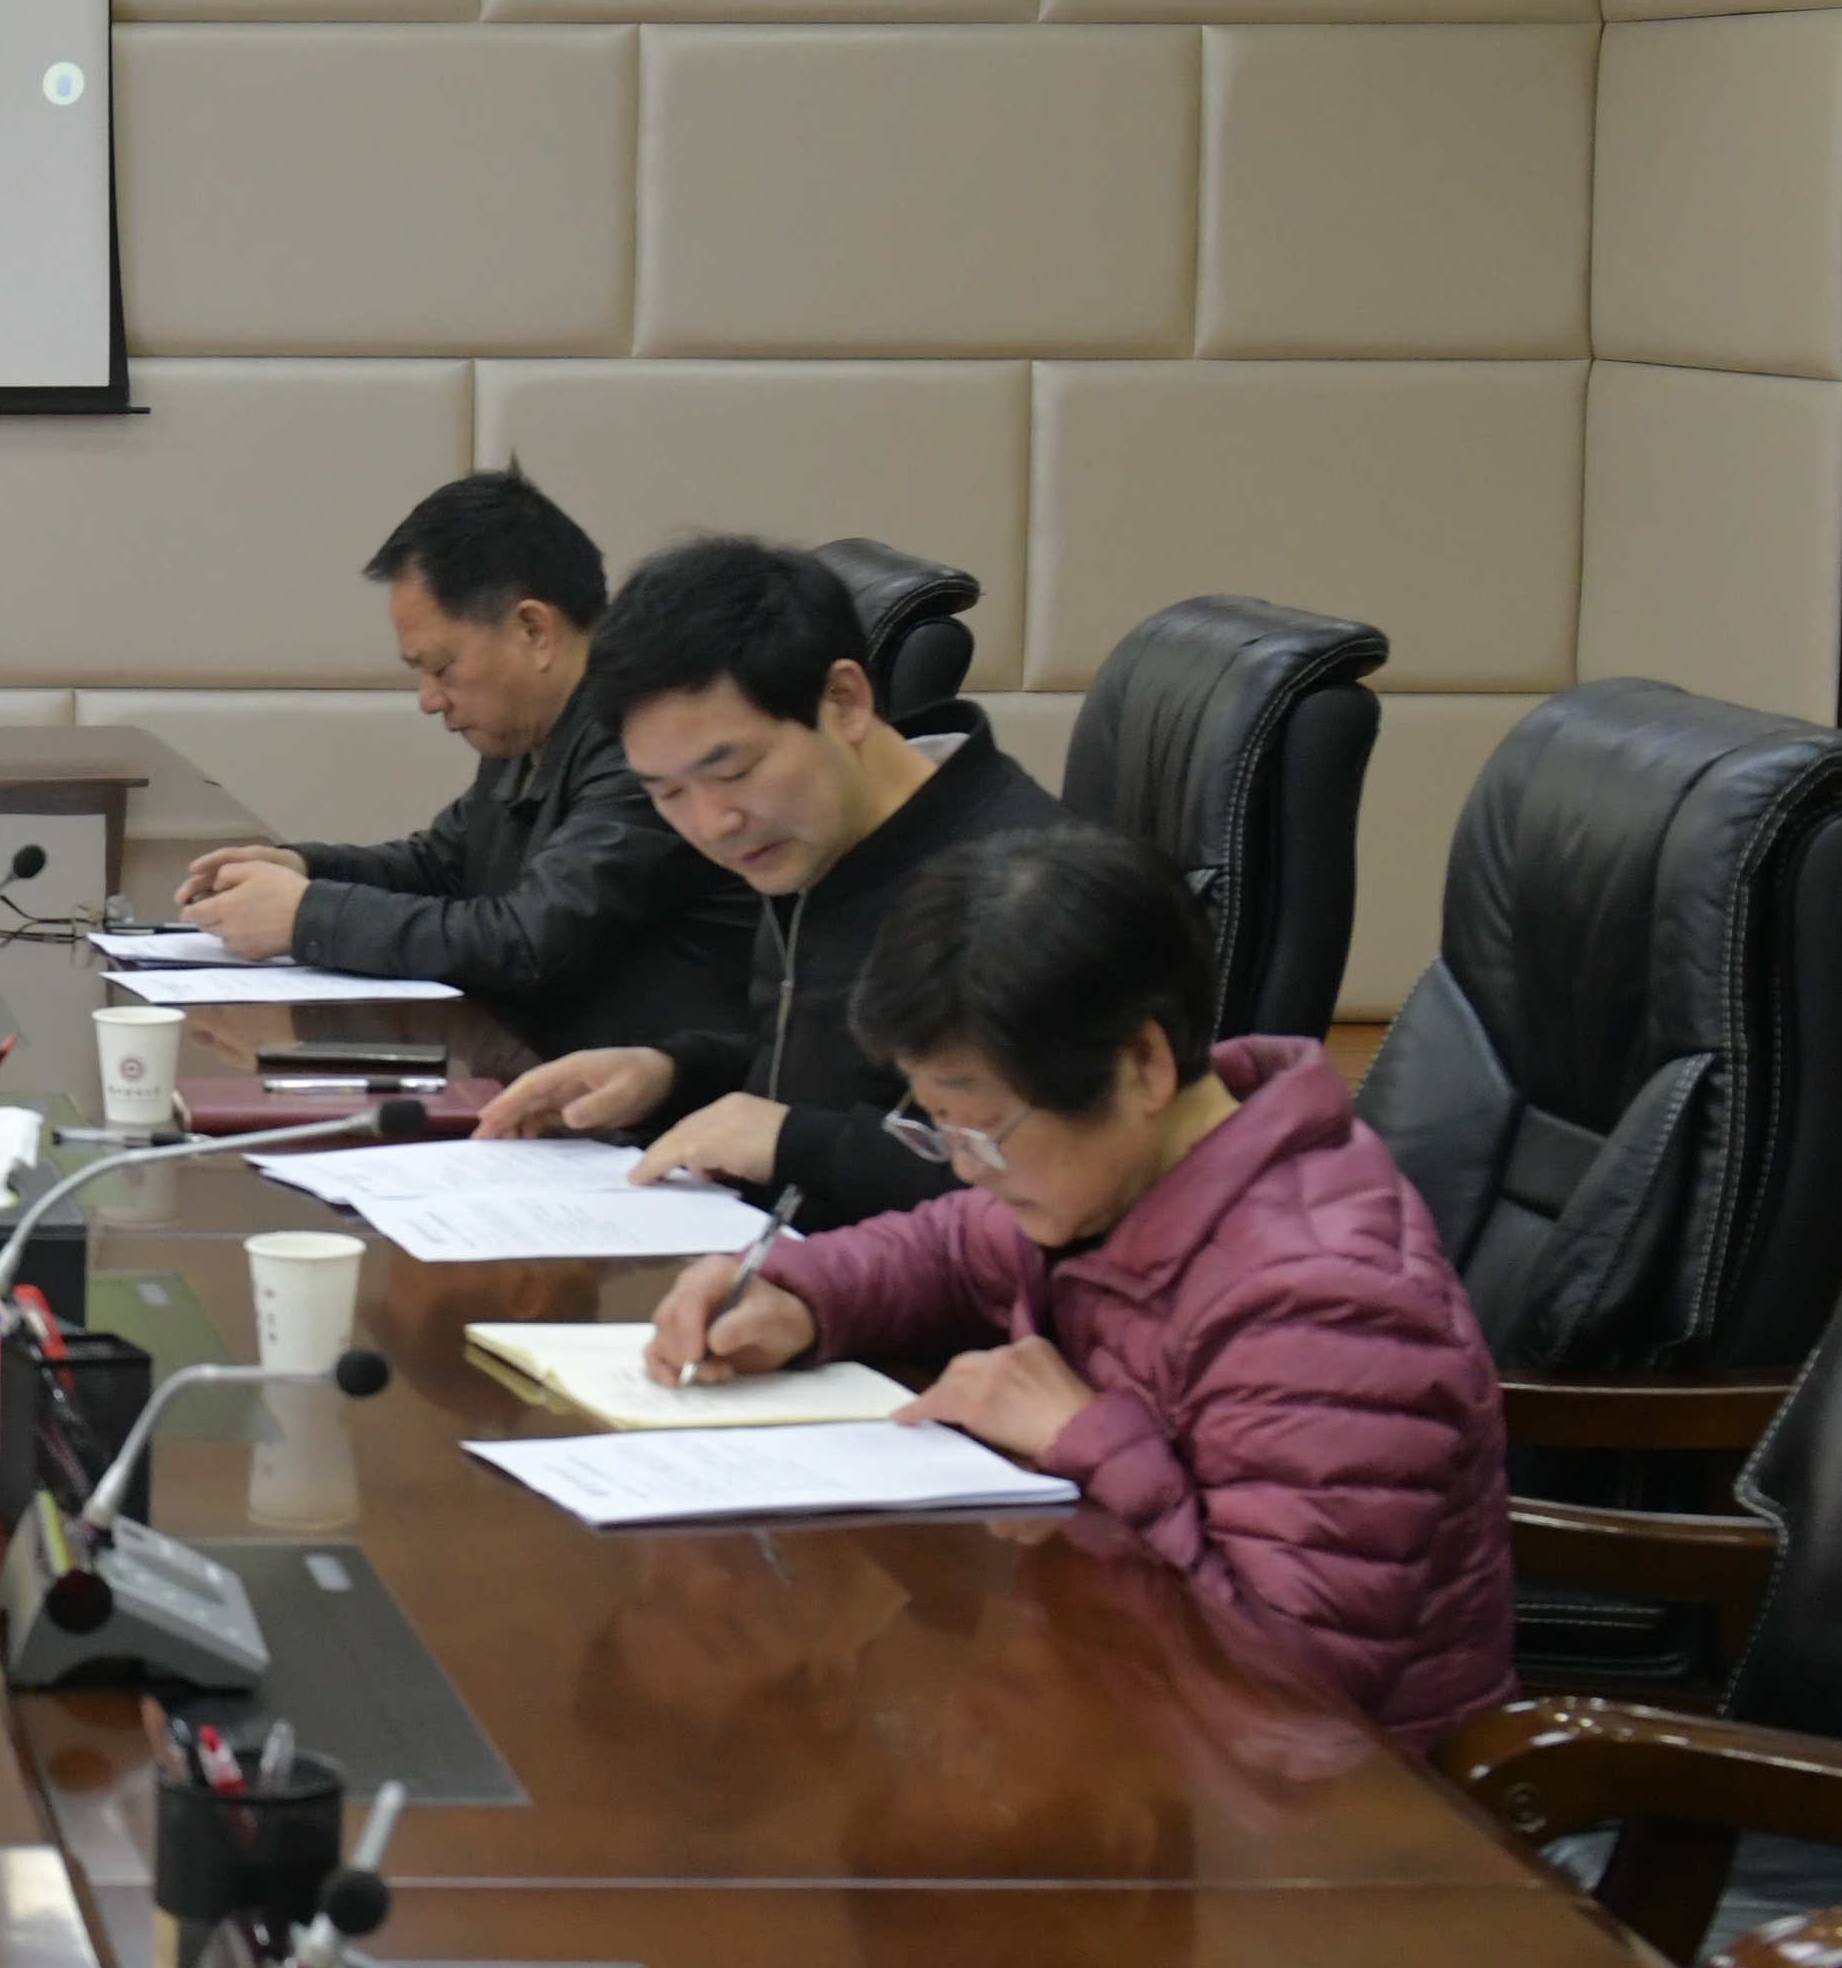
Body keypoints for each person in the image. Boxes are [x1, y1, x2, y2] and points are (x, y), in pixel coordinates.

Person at [638, 830, 1515, 1751]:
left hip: (1319, 1808)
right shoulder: (1129, 1170)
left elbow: (1292, 1687)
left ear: (1142, 1067)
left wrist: (1087, 1438)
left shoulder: (1322, 1306)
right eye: (940, 1129)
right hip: (1118, 1701)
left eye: (982, 1131)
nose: (966, 1170)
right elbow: (949, 1248)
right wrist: (801, 1294)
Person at [475, 535, 1065, 1227]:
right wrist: (669, 1074)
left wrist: (794, 1143)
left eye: (735, 772)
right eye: (668, 793)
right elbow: (820, 1067)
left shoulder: (1020, 894)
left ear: (845, 700)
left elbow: (1046, 1181)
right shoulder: (819, 839)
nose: (713, 823)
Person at [171, 469, 750, 1054]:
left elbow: (529, 943)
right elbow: (444, 866)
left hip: (657, 1094)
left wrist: (307, 916)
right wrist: (304, 869)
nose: (429, 700)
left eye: (442, 668)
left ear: (534, 631)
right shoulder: (530, 728)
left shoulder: (645, 744)